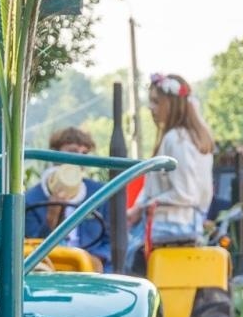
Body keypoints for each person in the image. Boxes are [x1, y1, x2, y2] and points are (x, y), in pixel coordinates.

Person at [128, 72, 215, 264]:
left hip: (170, 226)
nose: (151, 108)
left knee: (124, 259)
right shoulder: (193, 139)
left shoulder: (177, 139)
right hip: (185, 223)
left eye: (156, 102)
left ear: (171, 103)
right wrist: (136, 208)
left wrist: (143, 206)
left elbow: (184, 193)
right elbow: (154, 185)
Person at [23, 125, 111, 270]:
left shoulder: (100, 194)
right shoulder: (31, 199)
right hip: (51, 266)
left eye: (84, 154)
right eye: (72, 152)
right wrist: (51, 217)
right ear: (55, 155)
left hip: (91, 268)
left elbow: (112, 241)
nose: (79, 160)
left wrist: (96, 258)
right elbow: (31, 247)